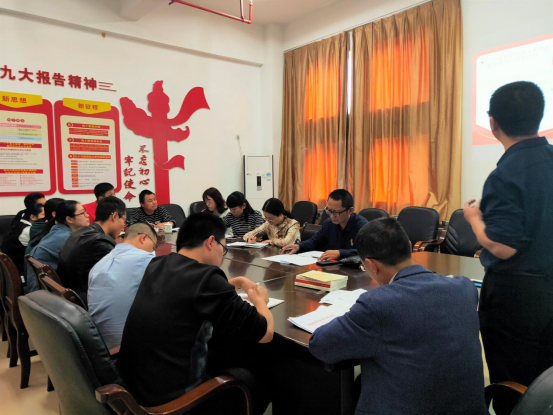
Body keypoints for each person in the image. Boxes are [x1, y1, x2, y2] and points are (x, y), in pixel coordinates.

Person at [309, 218, 487, 415]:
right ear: (409, 246)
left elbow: (321, 345)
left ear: (371, 265)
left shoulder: (377, 304)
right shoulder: (465, 288)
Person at [117, 213, 273, 415]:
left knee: (225, 348)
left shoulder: (158, 264)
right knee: (257, 375)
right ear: (211, 242)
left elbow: (189, 292)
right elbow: (265, 333)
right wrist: (260, 300)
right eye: (223, 248)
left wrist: (233, 283)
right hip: (173, 403)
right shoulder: (207, 278)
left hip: (136, 389)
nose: (222, 255)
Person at [463, 81, 553, 415]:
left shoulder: (507, 173)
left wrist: (474, 218)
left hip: (517, 298)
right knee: (546, 380)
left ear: (493, 122)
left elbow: (502, 247)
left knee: (513, 383)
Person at [88, 222, 157, 350]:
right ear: (143, 237)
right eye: (153, 246)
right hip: (126, 348)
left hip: (100, 343)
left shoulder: (100, 263)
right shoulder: (145, 259)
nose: (153, 251)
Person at [57, 196, 127, 307]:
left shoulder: (80, 233)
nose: (124, 226)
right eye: (124, 220)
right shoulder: (100, 241)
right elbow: (119, 278)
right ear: (114, 216)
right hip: (85, 302)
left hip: (71, 297)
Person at [281, 189, 368, 260]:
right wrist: (299, 246)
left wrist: (340, 253)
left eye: (336, 212)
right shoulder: (329, 223)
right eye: (329, 211)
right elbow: (315, 242)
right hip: (333, 267)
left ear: (350, 211)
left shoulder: (362, 226)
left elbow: (367, 252)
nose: (332, 216)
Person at [25, 201, 90, 293]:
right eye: (82, 213)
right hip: (47, 294)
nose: (87, 215)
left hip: (40, 290)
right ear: (69, 219)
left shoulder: (58, 230)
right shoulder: (65, 238)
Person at [1, 202, 44, 276]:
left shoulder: (20, 223)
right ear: (33, 217)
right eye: (44, 214)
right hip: (21, 271)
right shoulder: (28, 230)